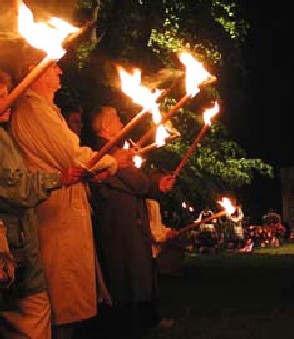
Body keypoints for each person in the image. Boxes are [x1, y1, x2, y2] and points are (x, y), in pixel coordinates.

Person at [10, 51, 132, 339]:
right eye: (54, 66)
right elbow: (73, 157)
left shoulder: (45, 109)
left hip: (65, 209)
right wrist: (112, 161)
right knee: (62, 299)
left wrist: (103, 167)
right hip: (54, 212)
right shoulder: (32, 108)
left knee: (70, 299)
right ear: (35, 70)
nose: (60, 72)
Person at [0, 69, 84, 339]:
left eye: (8, 93)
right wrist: (57, 178)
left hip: (21, 249)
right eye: (1, 96)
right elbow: (16, 188)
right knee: (33, 321)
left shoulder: (6, 135)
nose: (8, 100)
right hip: (11, 251)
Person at [88, 105, 177, 338]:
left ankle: (143, 320)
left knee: (136, 273)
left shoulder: (117, 150)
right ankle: (127, 326)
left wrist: (157, 182)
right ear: (105, 126)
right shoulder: (103, 152)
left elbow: (141, 179)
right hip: (118, 225)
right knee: (124, 277)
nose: (121, 122)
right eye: (116, 118)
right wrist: (152, 184)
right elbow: (138, 183)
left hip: (128, 224)